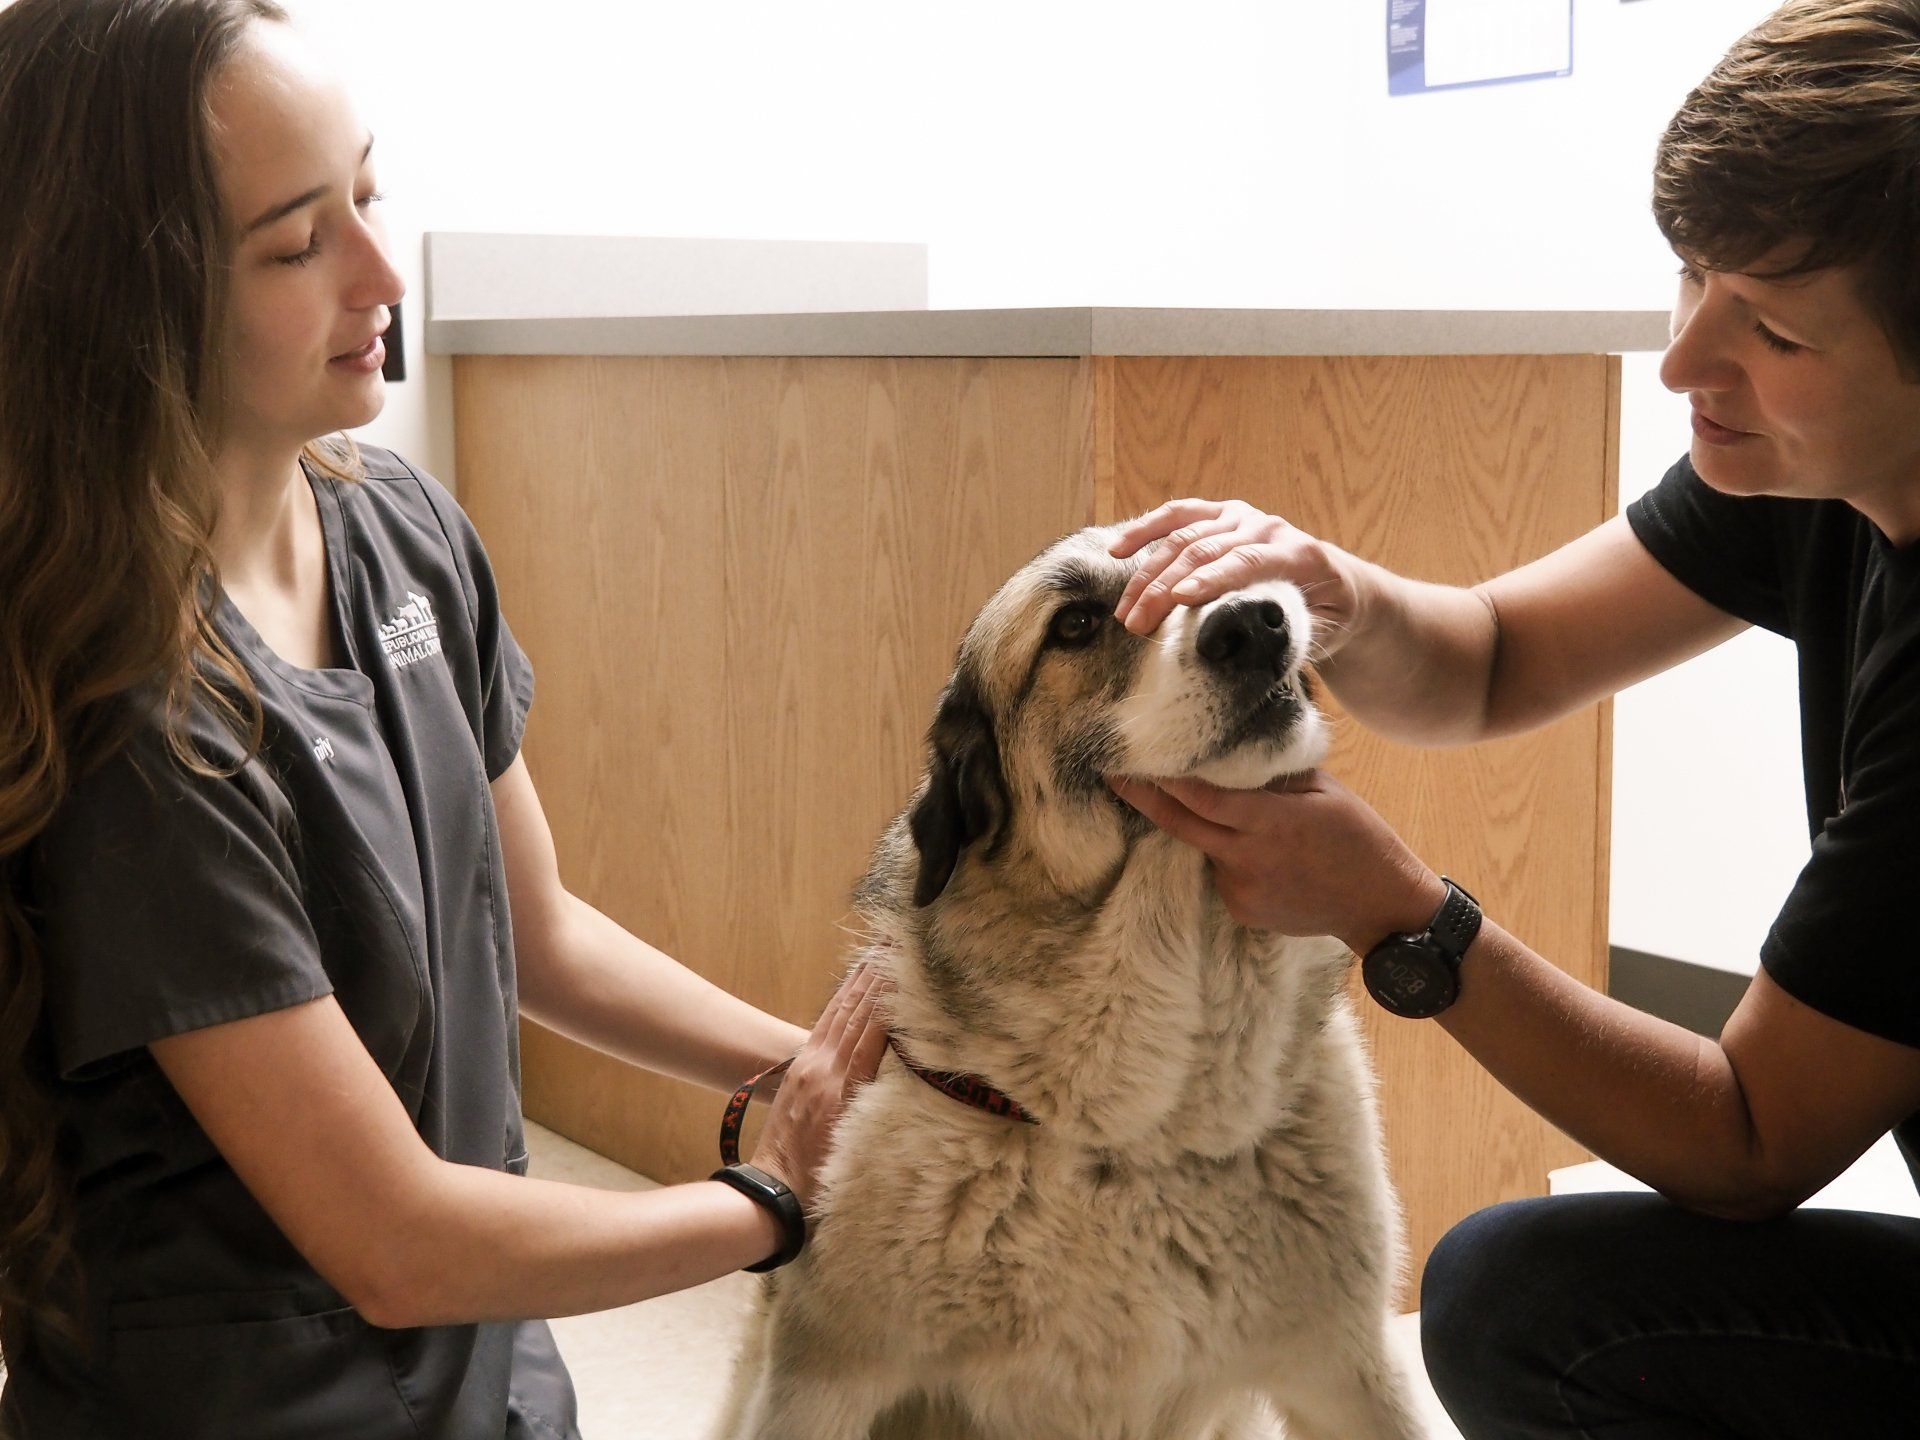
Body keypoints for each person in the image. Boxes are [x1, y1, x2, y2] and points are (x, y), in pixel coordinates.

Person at [0, 2, 890, 1436]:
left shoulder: (401, 532)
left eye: (367, 191)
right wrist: (766, 1205)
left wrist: (820, 1068)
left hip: (483, 1373)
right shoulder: (132, 713)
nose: (379, 268)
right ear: (132, 298)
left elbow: (534, 933)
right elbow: (398, 1243)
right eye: (298, 241)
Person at [1107, 1, 1920, 1434]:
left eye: (1775, 331)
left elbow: (1747, 1140)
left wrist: (1403, 919)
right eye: (1690, 277)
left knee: (1525, 1307)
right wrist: (1334, 586)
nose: (1681, 362)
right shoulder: (1819, 481)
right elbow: (1492, 661)